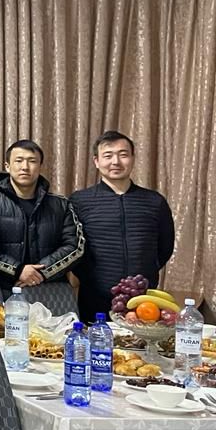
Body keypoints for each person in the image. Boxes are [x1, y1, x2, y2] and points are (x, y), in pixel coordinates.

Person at [69, 131, 175, 317]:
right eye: (108, 156)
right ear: (96, 161)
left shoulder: (155, 201)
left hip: (143, 301)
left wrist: (145, 271)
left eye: (123, 155)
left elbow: (164, 247)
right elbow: (71, 246)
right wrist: (89, 276)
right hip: (94, 298)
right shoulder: (79, 201)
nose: (115, 162)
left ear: (133, 159)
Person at [0, 140, 85, 293]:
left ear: (40, 166)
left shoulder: (61, 204)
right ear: (7, 166)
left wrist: (41, 272)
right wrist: (17, 270)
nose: (25, 167)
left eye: (32, 161)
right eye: (18, 161)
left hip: (49, 289)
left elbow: (75, 246)